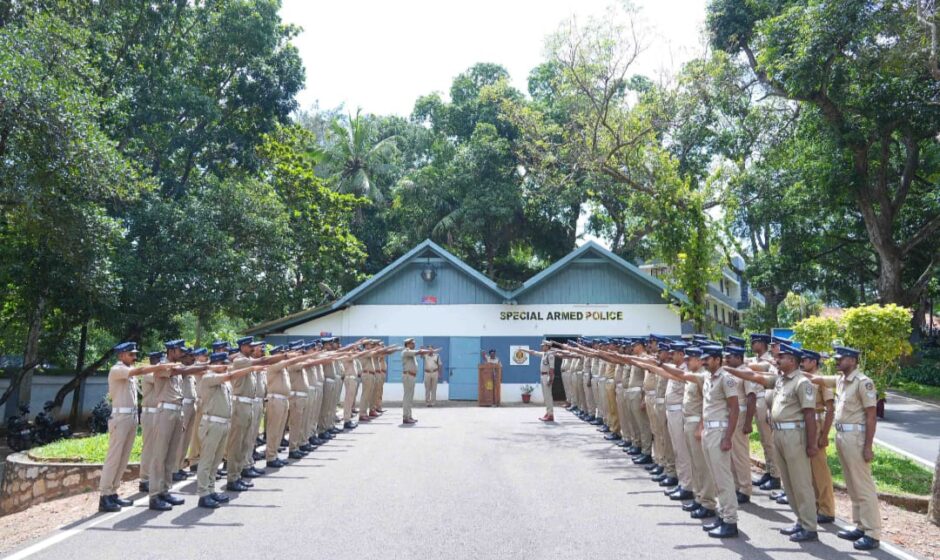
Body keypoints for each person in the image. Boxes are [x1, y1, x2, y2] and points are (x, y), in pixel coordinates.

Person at [726, 343, 819, 542]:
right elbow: (755, 377)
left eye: (781, 357)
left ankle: (810, 526)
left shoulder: (802, 383)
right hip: (779, 434)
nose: (776, 359)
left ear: (792, 360)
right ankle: (800, 521)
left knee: (801, 482)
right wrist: (728, 369)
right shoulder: (780, 380)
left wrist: (812, 444)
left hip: (795, 436)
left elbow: (810, 415)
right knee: (788, 482)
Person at [805, 346, 882, 551]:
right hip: (842, 436)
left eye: (841, 359)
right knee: (852, 484)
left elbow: (871, 416)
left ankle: (872, 533)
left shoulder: (863, 383)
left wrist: (868, 446)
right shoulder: (840, 380)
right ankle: (861, 525)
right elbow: (817, 379)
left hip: (856, 437)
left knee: (862, 485)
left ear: (853, 360)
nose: (837, 361)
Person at [98, 343, 174, 513]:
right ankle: (104, 496)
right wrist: (159, 366)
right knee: (114, 457)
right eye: (131, 354)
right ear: (121, 355)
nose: (134, 357)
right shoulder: (117, 369)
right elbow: (139, 371)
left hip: (131, 417)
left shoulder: (128, 371)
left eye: (134, 354)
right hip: (120, 417)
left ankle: (112, 492)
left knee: (123, 457)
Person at [195, 352, 264, 509]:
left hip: (223, 423)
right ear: (216, 363)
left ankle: (211, 490)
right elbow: (230, 375)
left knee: (216, 461)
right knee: (207, 460)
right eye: (223, 364)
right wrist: (249, 368)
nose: (226, 367)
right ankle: (203, 494)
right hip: (211, 424)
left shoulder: (223, 381)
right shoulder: (208, 377)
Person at [800, 349, 836, 526]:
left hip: (818, 422)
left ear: (814, 362)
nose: (802, 362)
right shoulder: (801, 379)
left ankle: (827, 509)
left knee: (820, 470)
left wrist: (825, 434)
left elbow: (830, 408)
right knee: (808, 469)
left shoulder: (821, 380)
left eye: (805, 360)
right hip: (804, 424)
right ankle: (815, 505)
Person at [746, 333, 781, 491]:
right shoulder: (755, 360)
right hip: (755, 400)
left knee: (769, 440)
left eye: (755, 342)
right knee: (763, 440)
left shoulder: (770, 361)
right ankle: (769, 470)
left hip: (765, 401)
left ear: (762, 344)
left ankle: (776, 475)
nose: (753, 344)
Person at [721, 345, 752, 505]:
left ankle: (745, 488)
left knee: (740, 454)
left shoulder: (745, 372)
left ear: (739, 358)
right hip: (730, 414)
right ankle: (736, 485)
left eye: (730, 356)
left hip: (741, 414)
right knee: (731, 453)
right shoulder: (728, 372)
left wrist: (748, 422)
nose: (726, 359)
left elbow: (751, 397)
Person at [401, 339, 431, 424]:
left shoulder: (411, 353)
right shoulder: (406, 352)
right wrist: (429, 350)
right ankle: (406, 417)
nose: (414, 345)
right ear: (408, 344)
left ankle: (409, 416)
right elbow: (419, 352)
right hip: (408, 376)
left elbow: (418, 352)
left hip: (411, 376)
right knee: (407, 397)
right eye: (412, 344)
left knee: (410, 398)